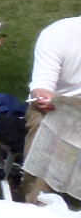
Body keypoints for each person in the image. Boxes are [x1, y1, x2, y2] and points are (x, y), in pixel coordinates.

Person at [21, 16, 81, 201]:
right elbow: (42, 85)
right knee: (43, 122)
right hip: (59, 106)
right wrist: (44, 99)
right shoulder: (59, 33)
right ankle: (37, 201)